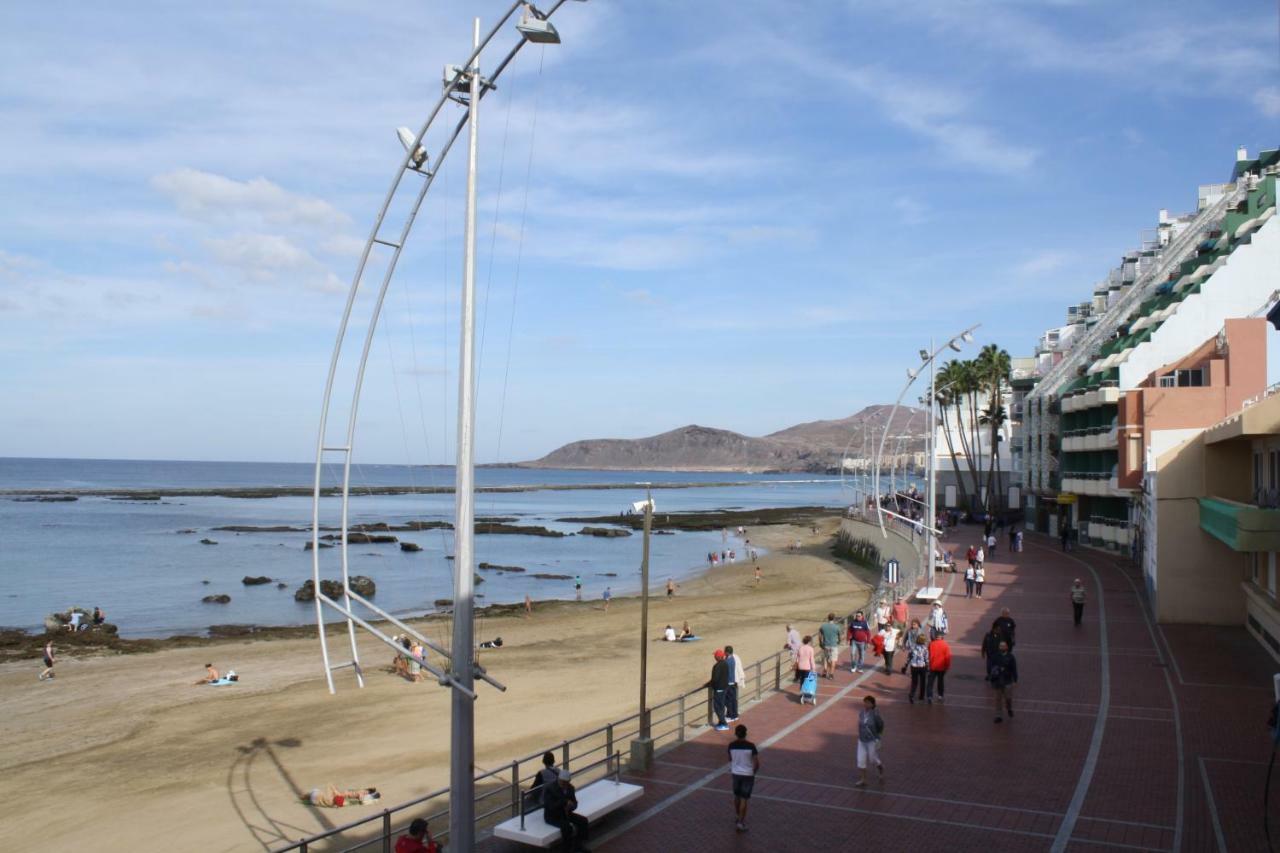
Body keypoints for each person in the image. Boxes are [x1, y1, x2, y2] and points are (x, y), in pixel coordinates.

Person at [542, 769, 589, 851]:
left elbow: (574, 803)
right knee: (567, 827)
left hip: (566, 813)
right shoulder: (550, 788)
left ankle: (579, 844)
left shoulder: (570, 788)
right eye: (562, 782)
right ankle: (567, 849)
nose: (564, 784)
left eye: (566, 782)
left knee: (583, 821)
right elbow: (550, 806)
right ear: (559, 780)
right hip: (553, 816)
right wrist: (564, 802)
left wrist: (572, 806)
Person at [727, 724, 759, 832]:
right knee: (744, 799)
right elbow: (756, 762)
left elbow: (730, 758)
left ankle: (737, 815)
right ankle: (741, 822)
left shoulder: (731, 745)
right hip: (748, 775)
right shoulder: (751, 746)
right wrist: (753, 772)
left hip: (735, 774)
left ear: (736, 734)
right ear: (746, 733)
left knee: (736, 796)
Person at [854, 695, 885, 788]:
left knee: (872, 759)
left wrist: (879, 736)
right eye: (865, 702)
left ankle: (880, 766)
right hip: (862, 739)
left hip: (871, 740)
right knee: (860, 759)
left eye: (868, 702)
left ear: (872, 704)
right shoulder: (861, 713)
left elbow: (881, 725)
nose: (866, 704)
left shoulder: (875, 714)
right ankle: (863, 779)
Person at [987, 639, 1018, 723]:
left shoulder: (1011, 657)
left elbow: (1014, 669)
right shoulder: (995, 656)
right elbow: (991, 667)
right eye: (1000, 646)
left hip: (1007, 680)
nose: (1002, 647)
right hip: (998, 681)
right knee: (998, 699)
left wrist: (1015, 679)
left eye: (1003, 646)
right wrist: (993, 673)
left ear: (1007, 647)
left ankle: (1009, 708)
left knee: (1008, 698)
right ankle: (998, 716)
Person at [708, 650, 730, 730]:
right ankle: (721, 722)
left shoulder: (717, 666)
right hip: (724, 687)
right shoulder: (725, 664)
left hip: (719, 689)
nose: (714, 657)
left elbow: (715, 679)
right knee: (721, 706)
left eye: (715, 655)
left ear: (718, 657)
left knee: (718, 707)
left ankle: (724, 723)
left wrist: (709, 684)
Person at [725, 644, 746, 722]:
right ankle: (735, 714)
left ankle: (730, 716)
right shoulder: (735, 658)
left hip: (729, 683)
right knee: (734, 699)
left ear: (727, 652)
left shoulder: (727, 661)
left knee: (728, 700)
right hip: (735, 682)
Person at [927, 633, 950, 703]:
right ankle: (940, 695)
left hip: (933, 666)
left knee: (930, 682)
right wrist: (947, 667)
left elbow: (928, 653)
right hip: (941, 667)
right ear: (942, 637)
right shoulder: (945, 645)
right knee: (940, 681)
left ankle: (929, 696)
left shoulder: (931, 644)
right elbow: (947, 657)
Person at [307, 785, 380, 807]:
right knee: (332, 790)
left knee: (331, 789)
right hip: (344, 794)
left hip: (343, 795)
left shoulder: (362, 793)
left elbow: (360, 799)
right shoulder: (362, 791)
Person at [907, 633, 929, 704]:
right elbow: (926, 658)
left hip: (914, 666)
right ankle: (921, 696)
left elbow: (909, 656)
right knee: (923, 682)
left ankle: (912, 694)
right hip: (922, 666)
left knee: (914, 682)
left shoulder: (913, 647)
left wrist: (907, 664)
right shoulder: (925, 648)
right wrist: (928, 666)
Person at [819, 613, 842, 679]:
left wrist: (820, 642)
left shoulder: (823, 626)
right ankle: (831, 674)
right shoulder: (836, 627)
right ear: (834, 618)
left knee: (825, 659)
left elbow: (820, 634)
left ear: (828, 618)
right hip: (834, 645)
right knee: (833, 660)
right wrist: (839, 641)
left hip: (826, 645)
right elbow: (839, 636)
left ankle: (825, 670)